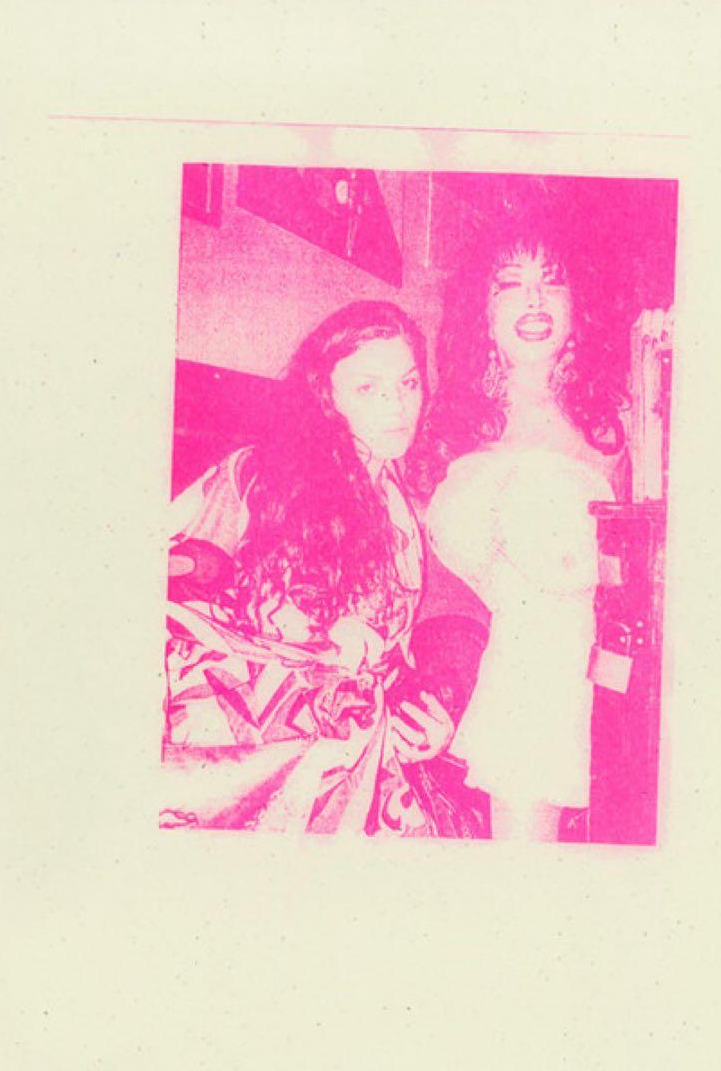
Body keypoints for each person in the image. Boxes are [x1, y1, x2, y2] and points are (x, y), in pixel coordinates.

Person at [161, 300, 486, 837]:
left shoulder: (408, 503)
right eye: (368, 388)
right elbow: (189, 563)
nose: (396, 405)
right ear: (326, 396)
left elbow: (453, 614)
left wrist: (438, 703)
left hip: (361, 739)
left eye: (408, 384)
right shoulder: (259, 474)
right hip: (258, 739)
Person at [409, 219, 628, 841]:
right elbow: (419, 567)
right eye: (510, 284)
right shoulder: (441, 419)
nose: (533, 300)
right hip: (444, 680)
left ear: (576, 307)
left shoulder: (612, 426)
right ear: (482, 311)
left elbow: (628, 578)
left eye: (551, 283)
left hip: (551, 686)